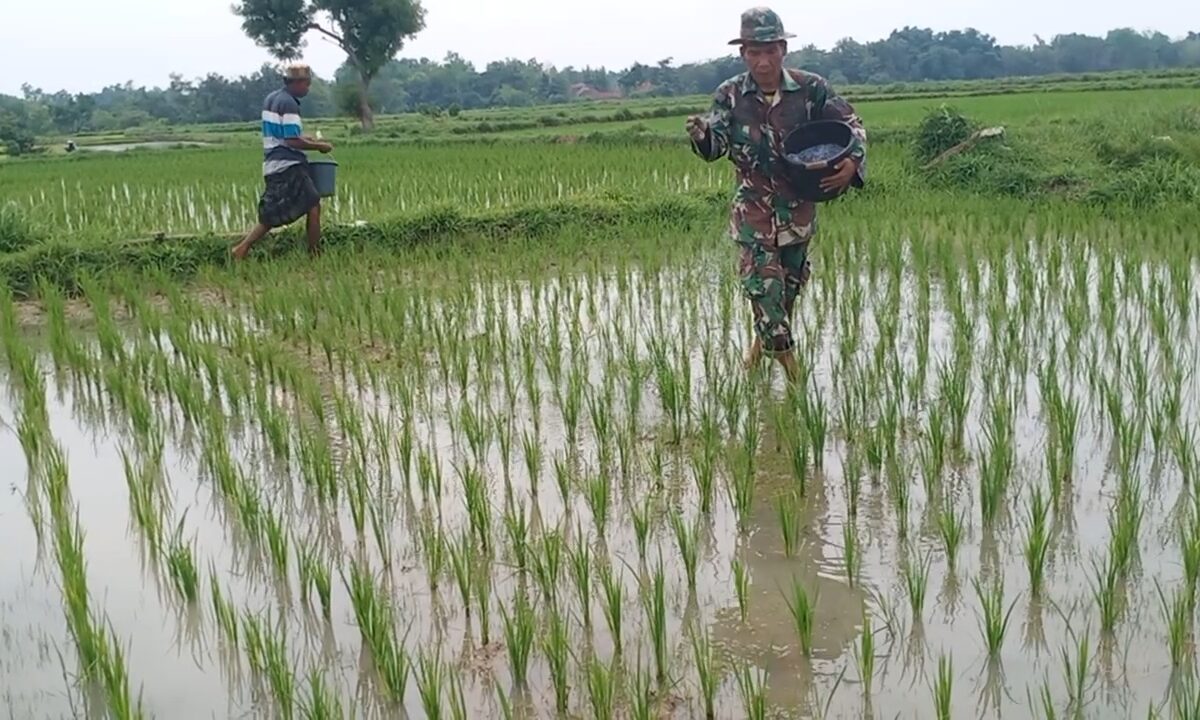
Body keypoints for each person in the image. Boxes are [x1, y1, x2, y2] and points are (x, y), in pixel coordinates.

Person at [687, 7, 867, 382]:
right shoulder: (729, 95)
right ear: (743, 53)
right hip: (752, 209)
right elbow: (715, 146)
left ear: (783, 49)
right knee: (763, 288)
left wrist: (853, 164)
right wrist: (703, 136)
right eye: (754, 51)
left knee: (787, 290)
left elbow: (851, 124)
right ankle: (795, 378)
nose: (763, 60)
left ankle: (755, 357)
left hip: (798, 207)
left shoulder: (810, 88)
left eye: (770, 51)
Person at [232, 63, 333, 260]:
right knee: (277, 212)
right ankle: (242, 248)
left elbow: (284, 134)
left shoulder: (273, 98)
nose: (308, 88)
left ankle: (314, 252)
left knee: (307, 205)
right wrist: (319, 147)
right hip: (288, 165)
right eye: (307, 84)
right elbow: (291, 141)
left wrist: (307, 139)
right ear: (298, 83)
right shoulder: (289, 103)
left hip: (274, 164)